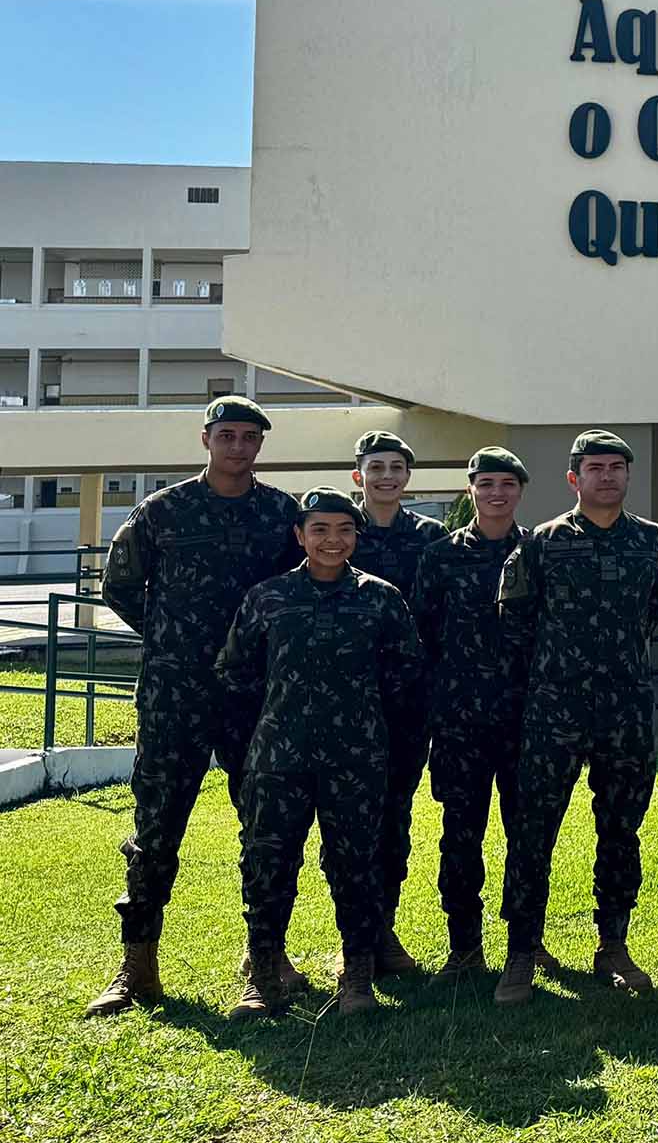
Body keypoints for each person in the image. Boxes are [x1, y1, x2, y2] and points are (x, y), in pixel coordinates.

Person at [87, 394, 301, 1018]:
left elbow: (304, 579)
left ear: (260, 446)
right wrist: (170, 639)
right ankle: (137, 963)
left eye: (249, 437)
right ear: (206, 440)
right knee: (156, 828)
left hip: (252, 694)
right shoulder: (164, 510)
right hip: (173, 694)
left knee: (267, 826)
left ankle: (264, 959)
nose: (238, 447)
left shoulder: (279, 514)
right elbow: (120, 585)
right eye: (227, 435)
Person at [217, 488, 421, 1018]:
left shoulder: (381, 599)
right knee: (268, 864)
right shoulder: (267, 598)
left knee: (357, 866)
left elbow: (405, 681)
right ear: (300, 536)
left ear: (357, 536)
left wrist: (385, 748)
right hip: (279, 758)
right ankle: (262, 977)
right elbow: (235, 676)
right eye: (321, 530)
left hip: (356, 760)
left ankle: (356, 979)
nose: (334, 541)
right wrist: (255, 745)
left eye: (345, 530)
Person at [493, 430, 658, 1006]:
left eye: (617, 467)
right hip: (555, 710)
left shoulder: (651, 541)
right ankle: (522, 952)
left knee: (620, 830)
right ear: (574, 479)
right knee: (532, 831)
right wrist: (559, 669)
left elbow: (652, 609)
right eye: (595, 468)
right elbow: (515, 620)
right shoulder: (541, 544)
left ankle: (614, 945)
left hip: (624, 709)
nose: (607, 476)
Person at [410, 446, 549, 980]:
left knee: (527, 835)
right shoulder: (440, 557)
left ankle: (526, 943)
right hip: (460, 720)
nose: (497, 494)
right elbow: (423, 630)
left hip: (525, 719)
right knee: (461, 835)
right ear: (471, 489)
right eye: (486, 484)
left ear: (520, 491)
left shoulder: (540, 551)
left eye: (507, 485)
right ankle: (464, 946)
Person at [344, 429, 449, 977]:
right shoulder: (338, 531)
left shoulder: (431, 538)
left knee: (394, 816)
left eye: (396, 468)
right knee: (346, 820)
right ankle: (353, 937)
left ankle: (383, 931)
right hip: (343, 701)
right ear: (358, 475)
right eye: (376, 467)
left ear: (408, 477)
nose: (386, 477)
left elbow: (438, 615)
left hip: (407, 702)